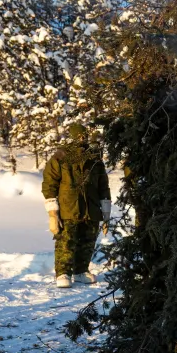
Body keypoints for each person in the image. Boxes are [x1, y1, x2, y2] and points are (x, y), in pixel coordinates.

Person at [42, 123, 111, 288]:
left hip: (91, 208)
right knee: (66, 241)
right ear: (72, 136)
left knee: (88, 241)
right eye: (79, 136)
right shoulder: (60, 157)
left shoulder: (94, 158)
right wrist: (52, 213)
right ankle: (63, 272)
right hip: (68, 208)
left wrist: (106, 212)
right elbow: (49, 185)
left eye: (84, 135)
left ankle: (81, 271)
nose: (82, 139)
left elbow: (103, 186)